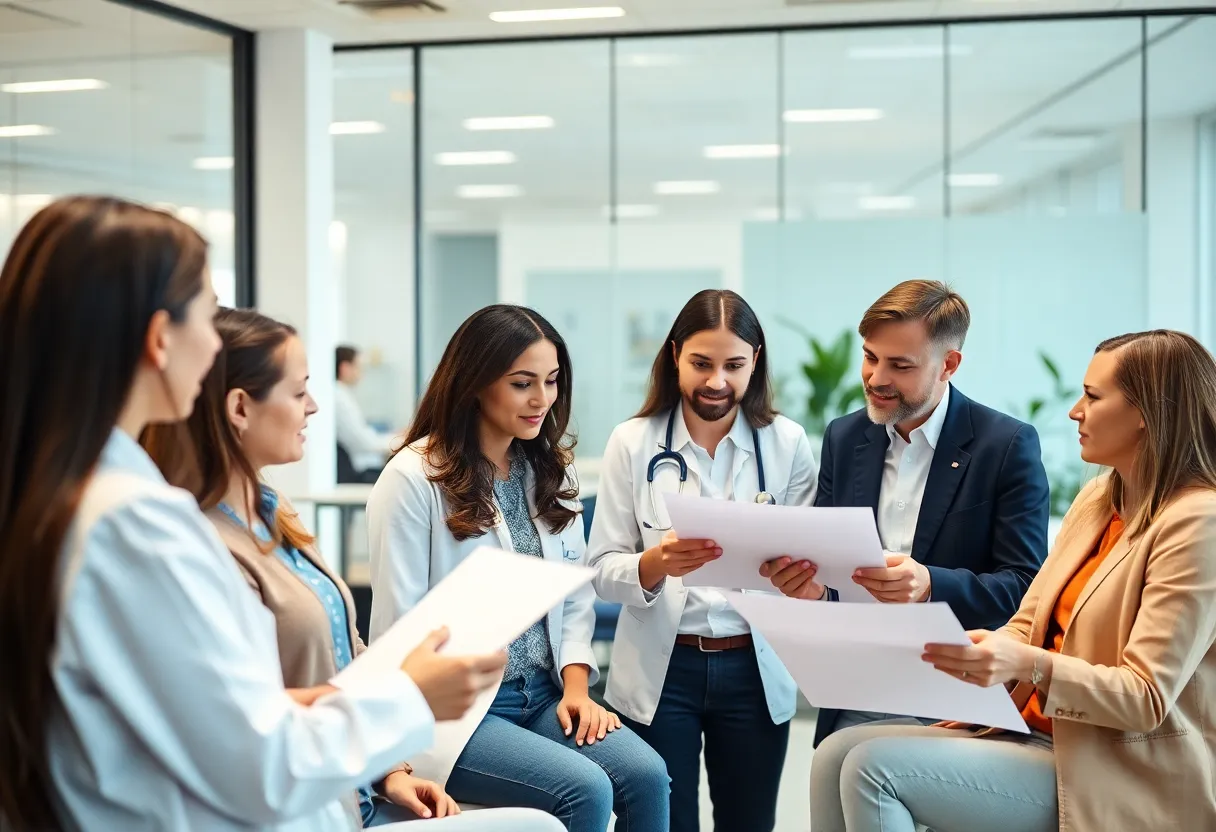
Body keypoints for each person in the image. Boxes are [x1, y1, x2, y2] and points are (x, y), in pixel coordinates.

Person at [0, 195, 519, 832]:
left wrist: (356, 704)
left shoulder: (68, 496)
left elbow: (202, 714)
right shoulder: (134, 524)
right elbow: (260, 767)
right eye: (203, 312)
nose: (211, 341)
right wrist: (409, 698)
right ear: (160, 338)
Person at [141, 307, 561, 831]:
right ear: (240, 408)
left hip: (357, 785)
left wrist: (392, 771)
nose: (315, 407)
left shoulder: (274, 512)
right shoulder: (201, 545)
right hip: (306, 801)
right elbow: (240, 723)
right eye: (298, 393)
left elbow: (348, 653)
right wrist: (403, 701)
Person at [811, 329, 1216, 832]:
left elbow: (1145, 697)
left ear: (1145, 413)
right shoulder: (1097, 502)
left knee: (875, 770)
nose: (1074, 411)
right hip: (1035, 734)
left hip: (1110, 766)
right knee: (835, 753)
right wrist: (986, 652)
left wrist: (1030, 665)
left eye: (1092, 397)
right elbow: (1028, 622)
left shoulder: (1198, 522)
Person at [367, 304, 670, 831]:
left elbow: (573, 599)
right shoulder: (414, 478)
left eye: (551, 382)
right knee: (585, 789)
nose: (542, 400)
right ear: (475, 384)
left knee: (646, 774)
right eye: (522, 383)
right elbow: (398, 627)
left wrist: (577, 690)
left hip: (544, 693)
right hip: (459, 712)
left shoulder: (548, 468)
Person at [761, 279, 1049, 744]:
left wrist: (930, 583)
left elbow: (1025, 587)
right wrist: (811, 590)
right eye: (871, 357)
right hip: (858, 683)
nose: (876, 378)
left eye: (900, 365)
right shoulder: (845, 437)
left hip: (955, 693)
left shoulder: (1006, 445)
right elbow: (830, 569)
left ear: (948, 365)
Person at [587, 289, 818, 832]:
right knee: (665, 822)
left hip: (753, 669)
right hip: (664, 671)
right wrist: (657, 562)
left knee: (750, 821)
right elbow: (600, 568)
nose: (717, 381)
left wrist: (798, 573)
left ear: (755, 361)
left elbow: (812, 562)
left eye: (734, 365)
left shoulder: (786, 443)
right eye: (701, 363)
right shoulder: (633, 442)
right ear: (674, 356)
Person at [336, 344, 396, 480]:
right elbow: (364, 442)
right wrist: (398, 440)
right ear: (345, 368)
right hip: (355, 472)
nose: (361, 373)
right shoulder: (339, 397)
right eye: (358, 366)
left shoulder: (342, 394)